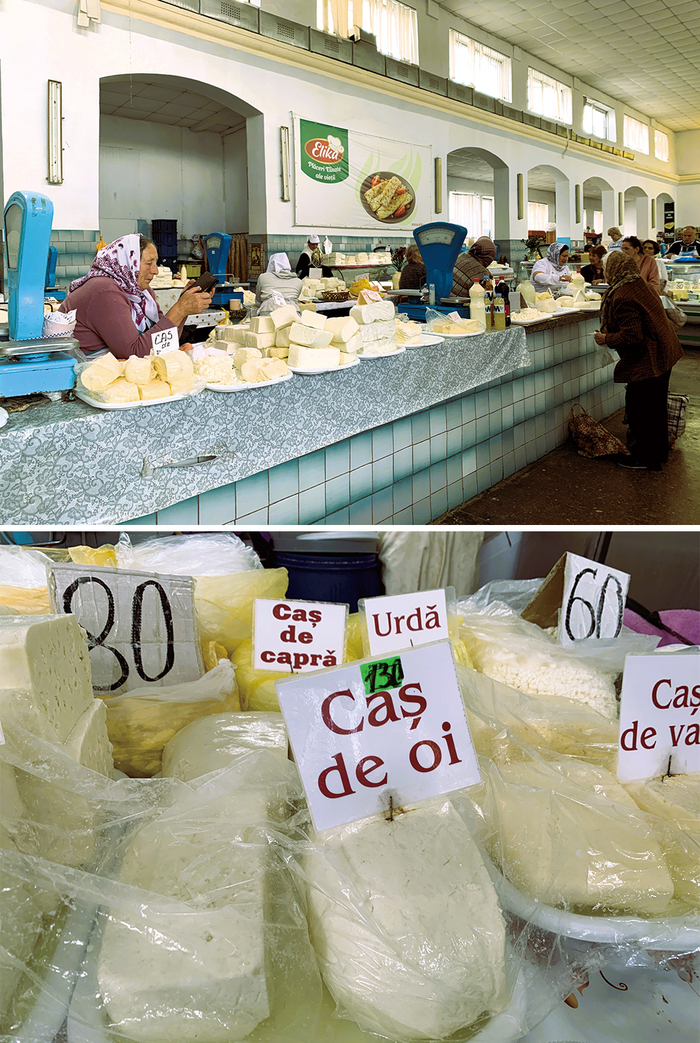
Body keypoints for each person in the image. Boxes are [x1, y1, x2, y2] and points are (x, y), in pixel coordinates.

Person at [593, 251, 682, 471]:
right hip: (664, 353)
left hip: (649, 358)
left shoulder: (623, 295)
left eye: (605, 269)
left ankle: (646, 458)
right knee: (655, 408)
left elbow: (632, 336)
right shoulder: (638, 283)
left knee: (641, 409)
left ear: (613, 269)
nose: (604, 274)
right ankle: (657, 453)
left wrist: (606, 338)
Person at [59, 234, 212, 358]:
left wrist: (184, 307)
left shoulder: (142, 293)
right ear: (127, 263)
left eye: (156, 263)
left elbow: (162, 340)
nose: (155, 271)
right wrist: (180, 309)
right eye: (148, 263)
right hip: (86, 378)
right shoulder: (105, 290)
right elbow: (134, 353)